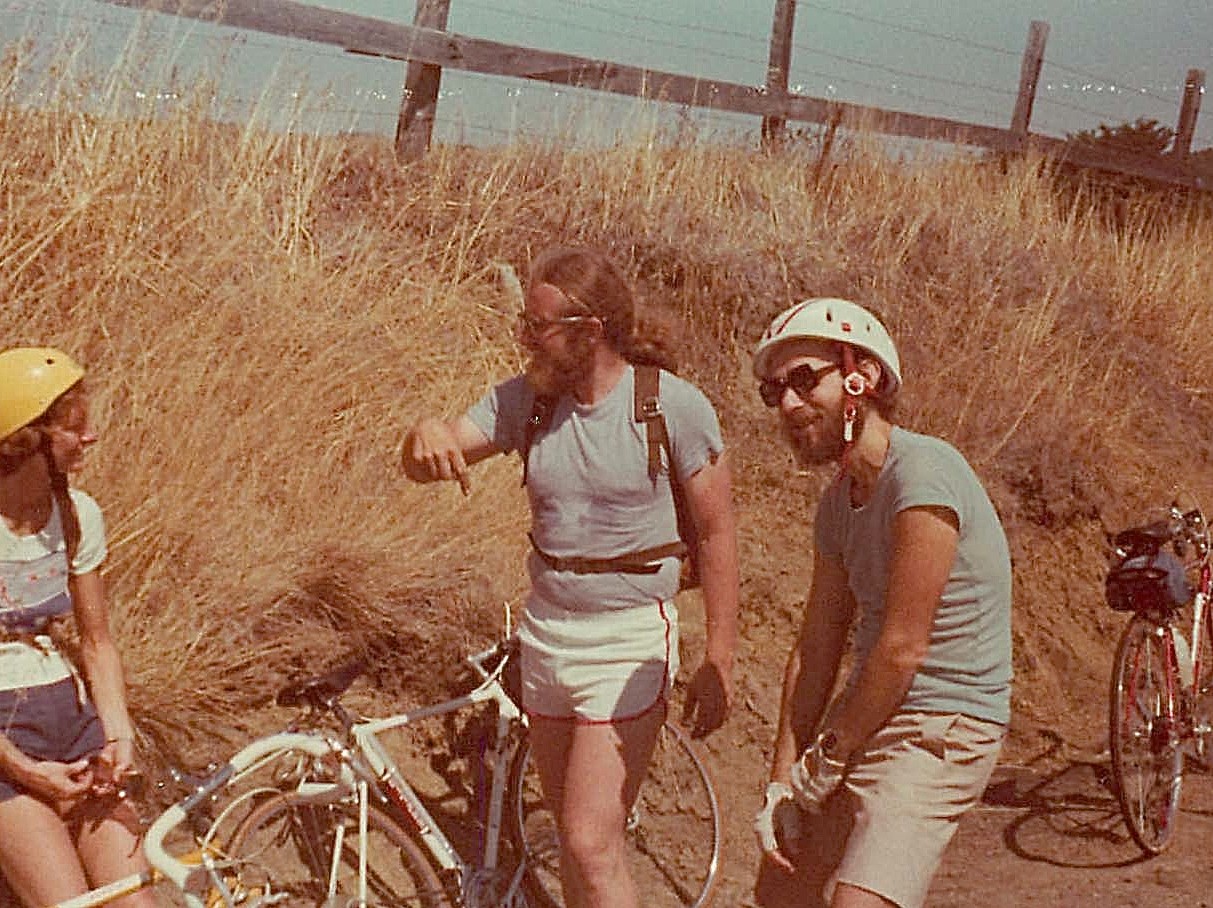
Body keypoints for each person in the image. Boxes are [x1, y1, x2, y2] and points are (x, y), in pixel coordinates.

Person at [402, 245, 739, 908]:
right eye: (524, 324)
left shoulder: (672, 407)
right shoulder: (526, 402)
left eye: (538, 326)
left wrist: (719, 656)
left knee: (589, 842)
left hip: (628, 638)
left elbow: (718, 532)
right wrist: (421, 434)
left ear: (589, 332)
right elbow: (436, 449)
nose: (524, 338)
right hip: (547, 636)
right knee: (575, 839)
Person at [749, 299, 1012, 908]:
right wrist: (780, 784)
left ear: (859, 378)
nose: (788, 403)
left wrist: (829, 756)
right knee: (781, 891)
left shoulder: (924, 474)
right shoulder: (838, 505)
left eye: (804, 379)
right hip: (871, 717)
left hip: (945, 723)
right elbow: (815, 650)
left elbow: (901, 649)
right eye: (773, 391)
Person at [0, 347, 155, 908]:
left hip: (70, 721)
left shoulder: (76, 514)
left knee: (134, 899)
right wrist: (27, 772)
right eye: (74, 428)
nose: (90, 438)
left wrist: (117, 735)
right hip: (4, 741)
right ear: (26, 441)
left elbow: (97, 641)